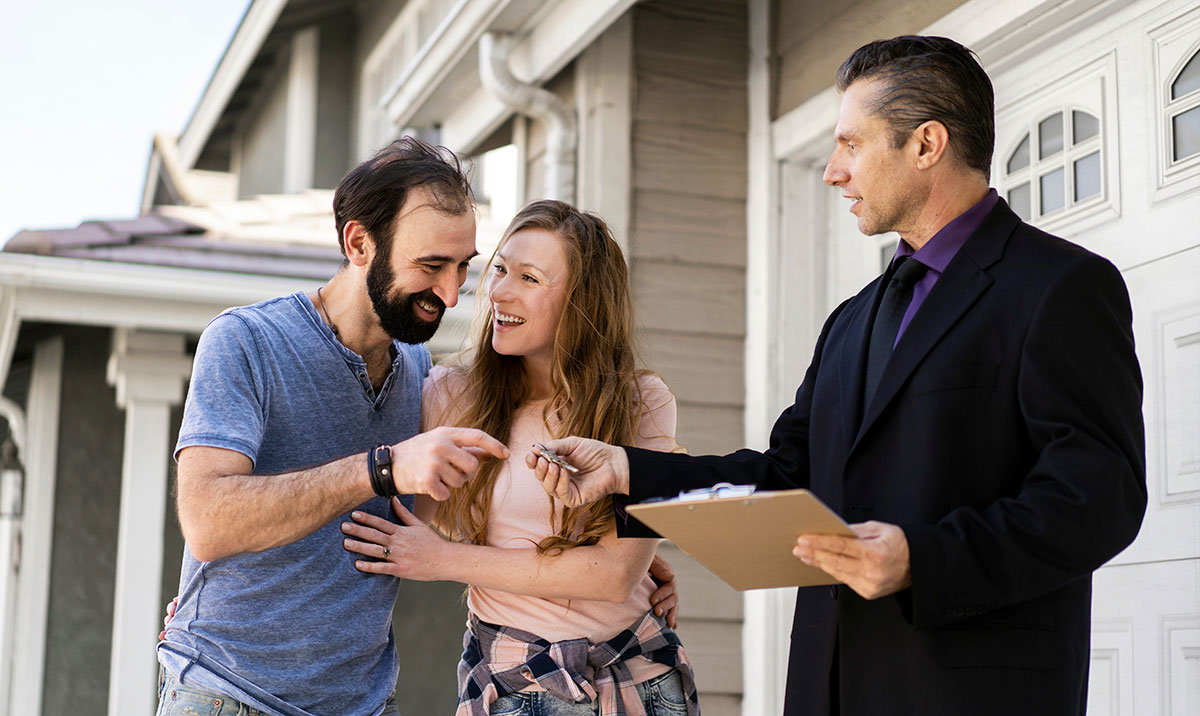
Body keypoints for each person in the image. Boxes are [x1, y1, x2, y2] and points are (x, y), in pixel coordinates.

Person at [527, 36, 1146, 716]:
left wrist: (924, 560)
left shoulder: (1061, 286)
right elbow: (788, 477)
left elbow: (1099, 499)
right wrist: (628, 471)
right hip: (827, 686)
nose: (832, 171)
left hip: (969, 690)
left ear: (927, 144)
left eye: (851, 144)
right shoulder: (852, 320)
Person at [158, 137, 513, 716]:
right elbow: (206, 521)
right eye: (430, 267)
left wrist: (630, 554)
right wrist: (382, 468)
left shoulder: (419, 370)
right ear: (359, 242)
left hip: (363, 703)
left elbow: (463, 512)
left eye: (462, 268)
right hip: (229, 695)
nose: (451, 294)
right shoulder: (247, 342)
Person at [339, 200, 699, 716]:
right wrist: (216, 603)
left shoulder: (640, 403)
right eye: (501, 269)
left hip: (637, 678)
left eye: (529, 278)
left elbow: (614, 576)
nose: (499, 291)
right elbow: (378, 527)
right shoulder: (449, 395)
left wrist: (445, 561)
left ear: (583, 302)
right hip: (514, 680)